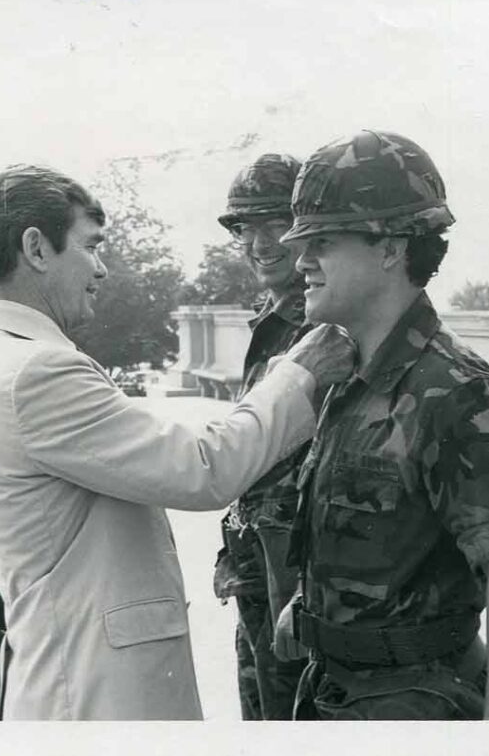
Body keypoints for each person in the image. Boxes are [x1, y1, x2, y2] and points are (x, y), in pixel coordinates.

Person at [0, 164, 356, 720]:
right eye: (90, 247)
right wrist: (298, 374)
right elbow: (201, 469)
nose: (101, 267)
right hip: (95, 691)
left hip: (70, 674)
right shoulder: (35, 372)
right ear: (36, 249)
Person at [273, 130, 489, 720]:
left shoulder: (456, 392)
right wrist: (307, 602)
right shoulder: (349, 374)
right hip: (339, 690)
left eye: (322, 242)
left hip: (416, 702)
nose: (301, 263)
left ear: (391, 248)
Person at [212, 154, 310, 719]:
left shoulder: (322, 325)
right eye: (245, 229)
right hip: (256, 571)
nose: (259, 243)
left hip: (293, 577)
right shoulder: (272, 318)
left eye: (275, 224)